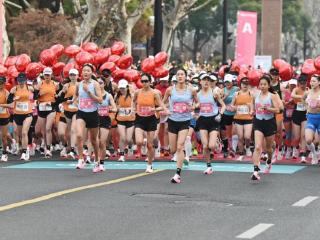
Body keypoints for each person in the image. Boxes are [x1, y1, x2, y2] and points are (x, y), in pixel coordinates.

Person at [163, 68, 199, 183]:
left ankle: (177, 174)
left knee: (180, 146)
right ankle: (180, 157)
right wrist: (165, 110)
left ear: (185, 76)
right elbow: (163, 103)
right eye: (178, 74)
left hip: (185, 121)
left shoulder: (191, 90)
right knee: (173, 149)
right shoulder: (170, 90)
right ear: (176, 77)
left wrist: (193, 107)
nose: (180, 76)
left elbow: (198, 102)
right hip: (173, 120)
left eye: (182, 74)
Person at [72, 63, 103, 172]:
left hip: (93, 113)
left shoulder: (95, 84)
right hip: (81, 113)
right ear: (82, 72)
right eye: (84, 70)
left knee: (94, 140)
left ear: (91, 73)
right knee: (79, 135)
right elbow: (76, 95)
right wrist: (73, 100)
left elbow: (100, 100)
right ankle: (80, 159)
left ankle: (97, 161)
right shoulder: (78, 84)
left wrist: (89, 92)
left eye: (88, 71)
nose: (85, 72)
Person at [132, 73, 165, 173]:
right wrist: (133, 109)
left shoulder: (154, 93)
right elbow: (133, 101)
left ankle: (149, 165)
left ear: (150, 82)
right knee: (138, 141)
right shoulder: (137, 92)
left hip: (151, 119)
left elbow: (161, 107)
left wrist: (154, 109)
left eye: (146, 81)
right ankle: (144, 142)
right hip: (140, 118)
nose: (144, 83)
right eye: (142, 81)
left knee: (150, 145)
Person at [251, 75, 280, 181]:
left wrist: (268, 108)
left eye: (264, 84)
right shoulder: (255, 95)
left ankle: (269, 160)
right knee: (258, 147)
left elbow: (277, 110)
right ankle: (255, 171)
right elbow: (252, 105)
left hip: (269, 123)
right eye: (261, 84)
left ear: (268, 86)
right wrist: (251, 111)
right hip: (258, 122)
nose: (262, 86)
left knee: (268, 148)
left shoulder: (272, 96)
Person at [197, 74, 225, 174]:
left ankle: (217, 141)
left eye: (208, 80)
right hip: (202, 120)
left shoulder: (214, 93)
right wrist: (193, 111)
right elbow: (195, 106)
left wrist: (220, 114)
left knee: (211, 146)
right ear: (200, 82)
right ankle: (209, 166)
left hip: (213, 120)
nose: (206, 82)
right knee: (205, 146)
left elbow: (223, 105)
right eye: (204, 80)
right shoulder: (197, 94)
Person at [8, 73, 34, 161]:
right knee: (18, 134)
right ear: (17, 81)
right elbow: (9, 100)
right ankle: (24, 148)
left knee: (24, 133)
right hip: (17, 114)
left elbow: (37, 95)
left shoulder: (29, 88)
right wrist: (14, 99)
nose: (21, 83)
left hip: (28, 113)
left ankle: (24, 152)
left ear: (26, 80)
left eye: (23, 81)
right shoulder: (14, 89)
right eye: (19, 81)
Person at [34, 67, 59, 158]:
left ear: (51, 75)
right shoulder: (39, 84)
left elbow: (59, 97)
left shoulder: (55, 84)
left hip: (51, 108)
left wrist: (56, 97)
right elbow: (34, 97)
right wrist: (40, 94)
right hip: (41, 108)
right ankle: (46, 145)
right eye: (46, 75)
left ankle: (48, 149)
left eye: (48, 75)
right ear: (43, 75)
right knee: (41, 131)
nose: (47, 76)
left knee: (48, 128)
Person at [57, 68, 79, 158]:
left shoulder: (80, 85)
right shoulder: (66, 85)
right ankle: (68, 147)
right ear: (69, 76)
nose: (73, 77)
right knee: (69, 131)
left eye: (74, 75)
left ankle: (73, 150)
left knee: (73, 129)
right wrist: (62, 92)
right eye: (71, 75)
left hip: (77, 110)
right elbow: (59, 98)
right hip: (67, 110)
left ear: (77, 76)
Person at [230, 77, 254, 161]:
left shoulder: (251, 94)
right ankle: (241, 153)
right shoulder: (236, 94)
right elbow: (231, 105)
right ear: (240, 85)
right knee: (240, 137)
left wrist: (252, 110)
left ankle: (247, 147)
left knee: (247, 136)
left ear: (249, 85)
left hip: (248, 118)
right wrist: (234, 108)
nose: (245, 85)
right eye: (243, 84)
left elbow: (254, 105)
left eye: (247, 84)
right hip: (238, 118)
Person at [98, 78, 117, 163]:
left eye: (101, 83)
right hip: (94, 119)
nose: (99, 84)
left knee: (102, 141)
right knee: (95, 141)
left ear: (104, 84)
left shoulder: (108, 95)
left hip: (105, 119)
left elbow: (115, 108)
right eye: (97, 83)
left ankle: (101, 161)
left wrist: (109, 109)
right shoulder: (92, 95)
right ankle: (95, 158)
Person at [115, 79, 135, 162]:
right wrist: (117, 108)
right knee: (122, 137)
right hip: (121, 119)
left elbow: (135, 104)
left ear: (127, 87)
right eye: (121, 88)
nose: (122, 90)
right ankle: (122, 155)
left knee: (128, 139)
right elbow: (113, 106)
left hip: (130, 119)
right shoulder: (117, 96)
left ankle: (131, 145)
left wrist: (133, 109)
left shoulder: (132, 95)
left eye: (123, 88)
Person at [304, 74, 320, 164]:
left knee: (317, 142)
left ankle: (317, 150)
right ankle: (314, 154)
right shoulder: (307, 92)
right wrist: (307, 108)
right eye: (311, 81)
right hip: (310, 118)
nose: (312, 83)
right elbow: (302, 99)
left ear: (319, 82)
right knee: (308, 140)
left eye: (314, 81)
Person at [221, 74, 238, 157]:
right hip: (226, 114)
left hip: (236, 114)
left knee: (235, 131)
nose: (227, 84)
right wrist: (225, 97)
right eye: (226, 82)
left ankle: (233, 148)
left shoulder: (237, 89)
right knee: (228, 133)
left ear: (232, 82)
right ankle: (230, 148)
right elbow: (219, 102)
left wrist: (235, 107)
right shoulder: (222, 90)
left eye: (229, 82)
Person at [291, 76, 308, 162]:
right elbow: (292, 95)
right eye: (301, 83)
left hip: (305, 114)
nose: (302, 85)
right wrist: (302, 96)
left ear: (306, 83)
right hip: (296, 113)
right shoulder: (296, 89)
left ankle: (303, 155)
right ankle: (295, 147)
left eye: (304, 83)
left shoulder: (308, 90)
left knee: (303, 135)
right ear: (298, 83)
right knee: (297, 137)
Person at [282, 79, 297, 159]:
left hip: (295, 114)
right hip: (287, 113)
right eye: (291, 84)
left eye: (294, 85)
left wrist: (293, 101)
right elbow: (283, 103)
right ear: (289, 84)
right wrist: (286, 103)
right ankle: (288, 149)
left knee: (295, 134)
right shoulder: (285, 92)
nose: (293, 86)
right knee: (288, 134)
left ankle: (294, 149)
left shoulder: (297, 92)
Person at [0, 76, 10, 162]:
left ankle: (4, 153)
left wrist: (2, 105)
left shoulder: (6, 93)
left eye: (2, 83)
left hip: (4, 117)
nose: (0, 85)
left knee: (4, 137)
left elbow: (10, 105)